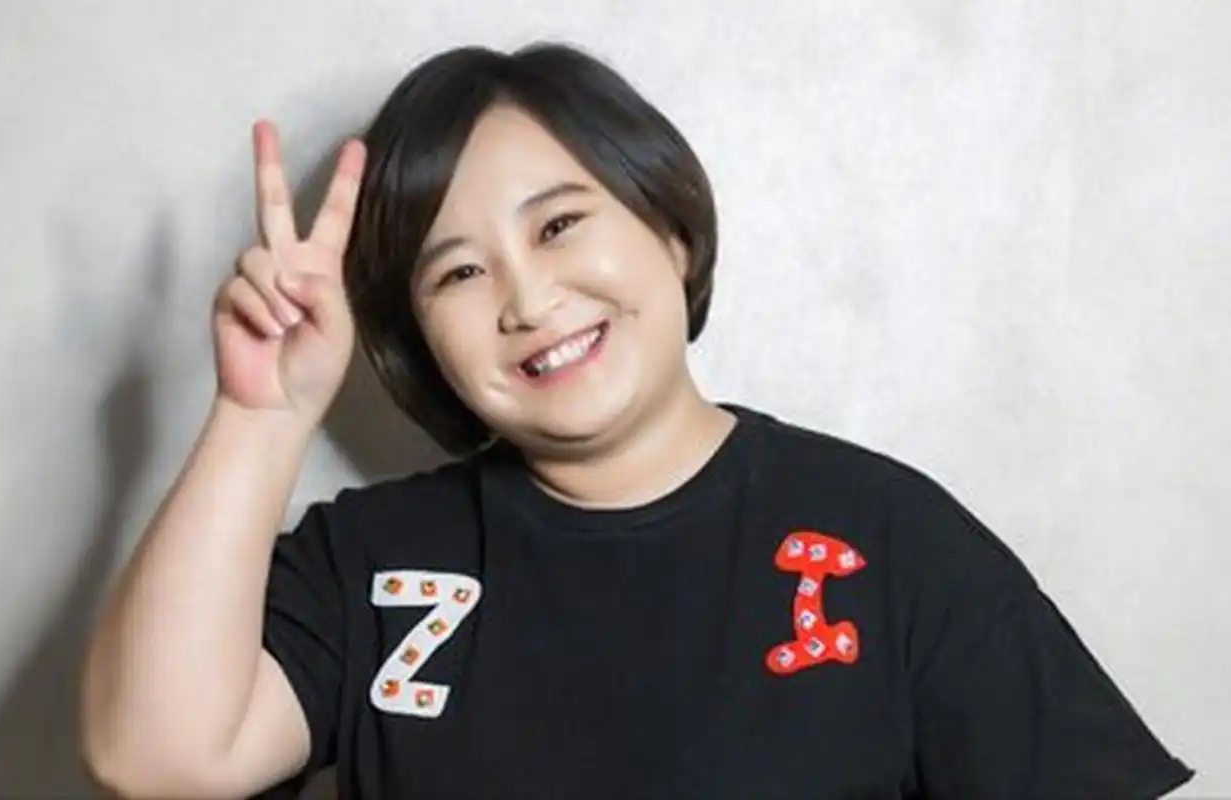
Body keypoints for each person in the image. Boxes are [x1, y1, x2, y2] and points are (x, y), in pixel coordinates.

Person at [79, 41, 1195, 799]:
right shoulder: (375, 565)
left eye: (559, 225)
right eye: (457, 271)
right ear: (421, 340)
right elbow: (157, 761)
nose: (526, 299)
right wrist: (262, 414)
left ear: (669, 228)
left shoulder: (884, 536)